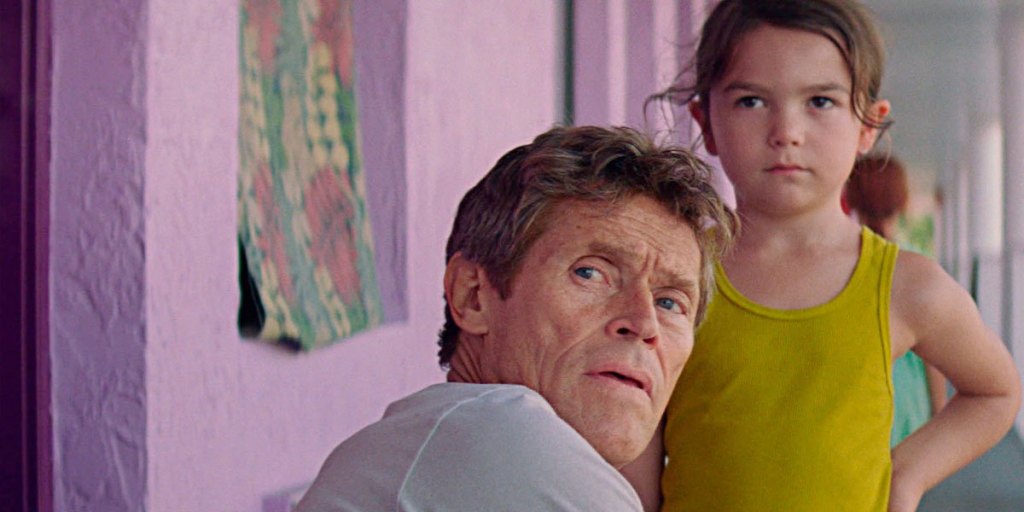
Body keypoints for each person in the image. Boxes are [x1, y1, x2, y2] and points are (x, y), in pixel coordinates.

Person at [623, 1, 1022, 511]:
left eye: (820, 101)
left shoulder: (904, 285)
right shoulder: (677, 273)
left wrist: (908, 474)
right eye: (751, 101)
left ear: (868, 126)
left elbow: (995, 392)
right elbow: (639, 413)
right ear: (706, 122)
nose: (786, 131)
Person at [294, 126, 738, 511]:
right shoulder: (502, 436)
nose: (643, 324)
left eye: (670, 303)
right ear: (473, 296)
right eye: (590, 273)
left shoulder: (430, 442)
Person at [845, 155, 948, 447]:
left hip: (851, 405)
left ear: (851, 199)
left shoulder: (837, 264)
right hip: (908, 405)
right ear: (902, 201)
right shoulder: (919, 264)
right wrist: (939, 413)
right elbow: (935, 357)